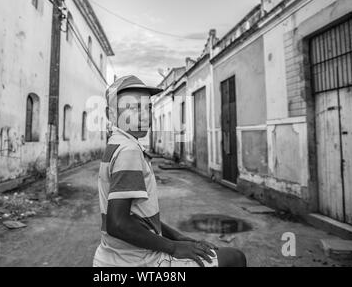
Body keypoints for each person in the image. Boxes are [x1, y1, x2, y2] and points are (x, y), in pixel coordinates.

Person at [93, 75, 246, 267]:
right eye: (133, 108)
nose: (145, 115)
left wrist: (178, 237)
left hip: (113, 256)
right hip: (139, 261)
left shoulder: (117, 144)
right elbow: (118, 224)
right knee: (235, 258)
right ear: (111, 114)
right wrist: (173, 248)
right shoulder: (128, 150)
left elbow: (139, 219)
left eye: (148, 107)